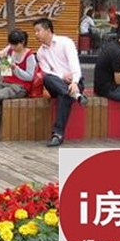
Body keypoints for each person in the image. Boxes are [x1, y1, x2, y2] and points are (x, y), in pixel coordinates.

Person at [33, 18, 87, 147]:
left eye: (38, 31)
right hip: (55, 83)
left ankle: (57, 135)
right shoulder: (40, 53)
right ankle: (76, 96)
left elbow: (75, 64)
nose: (36, 34)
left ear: (48, 30)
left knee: (64, 96)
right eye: (35, 31)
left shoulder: (65, 42)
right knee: (47, 78)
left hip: (74, 83)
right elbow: (47, 72)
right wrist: (62, 76)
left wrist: (74, 82)